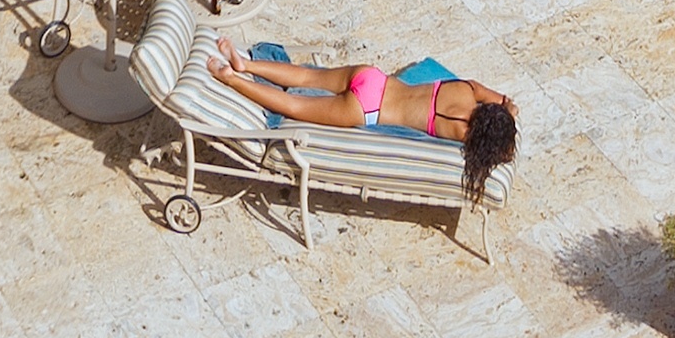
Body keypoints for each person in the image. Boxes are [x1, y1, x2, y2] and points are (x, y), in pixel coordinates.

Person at [217, 42, 522, 194]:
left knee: (308, 74)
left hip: (374, 78)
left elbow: (506, 101)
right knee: (293, 106)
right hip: (368, 109)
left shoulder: (468, 89)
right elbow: (503, 152)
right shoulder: (462, 130)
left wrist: (508, 111)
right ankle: (234, 80)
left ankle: (245, 64)